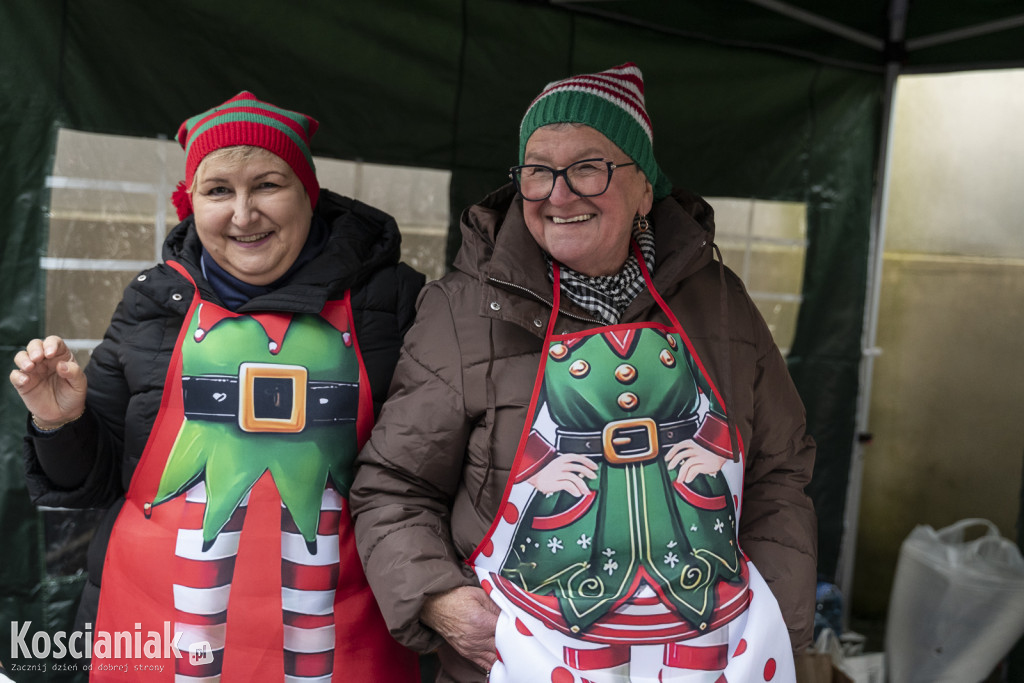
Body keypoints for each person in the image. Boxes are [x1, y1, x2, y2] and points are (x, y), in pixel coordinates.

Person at [350, 63, 817, 682]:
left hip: (706, 651)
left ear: (646, 188)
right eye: (538, 170)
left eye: (588, 167)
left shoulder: (722, 302)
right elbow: (393, 484)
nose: (558, 193)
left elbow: (779, 471)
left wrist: (776, 614)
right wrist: (439, 600)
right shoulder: (462, 310)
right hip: (529, 655)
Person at [10, 92, 423, 681]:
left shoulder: (393, 301)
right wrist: (58, 423)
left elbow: (430, 477)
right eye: (219, 190)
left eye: (268, 185)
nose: (243, 214)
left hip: (344, 636)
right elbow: (92, 484)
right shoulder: (154, 301)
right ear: (192, 203)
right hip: (153, 633)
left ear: (310, 193)